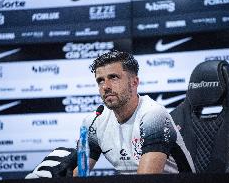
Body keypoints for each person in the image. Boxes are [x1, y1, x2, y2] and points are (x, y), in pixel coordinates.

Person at [26, 50, 195, 178]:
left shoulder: (153, 115)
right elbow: (81, 174)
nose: (105, 86)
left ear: (134, 82)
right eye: (100, 80)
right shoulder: (94, 122)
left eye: (113, 77)